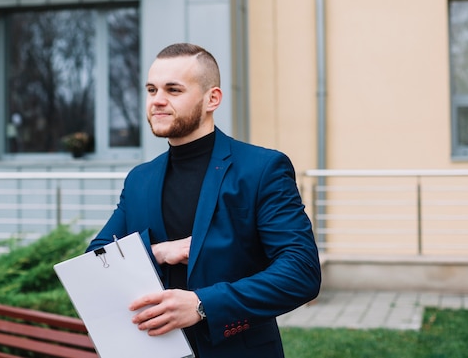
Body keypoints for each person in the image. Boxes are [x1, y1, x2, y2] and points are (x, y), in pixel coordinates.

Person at [86, 42, 321, 357]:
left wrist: (201, 305)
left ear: (212, 98)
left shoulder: (262, 168)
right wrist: (157, 251)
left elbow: (300, 272)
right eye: (151, 89)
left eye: (173, 90)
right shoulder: (139, 179)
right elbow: (93, 262)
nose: (157, 100)